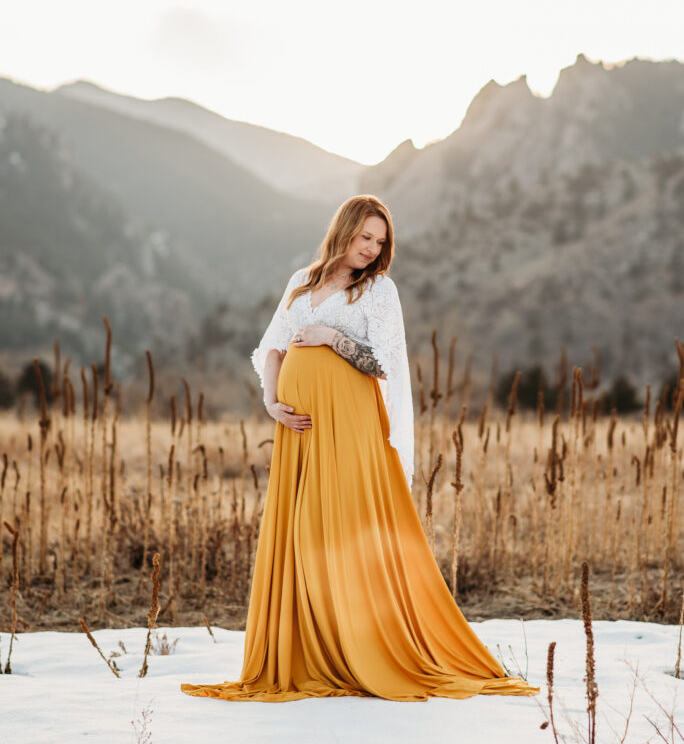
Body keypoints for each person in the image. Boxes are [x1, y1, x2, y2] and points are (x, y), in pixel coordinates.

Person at [181, 195, 539, 702]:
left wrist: (331, 337)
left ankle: (358, 649)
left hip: (351, 425)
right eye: (364, 237)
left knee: (345, 527)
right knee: (302, 533)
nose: (372, 248)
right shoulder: (301, 282)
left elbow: (384, 364)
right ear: (344, 231)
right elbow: (273, 349)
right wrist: (271, 400)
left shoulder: (379, 291)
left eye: (380, 241)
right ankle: (309, 648)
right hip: (300, 431)